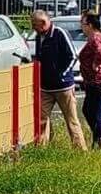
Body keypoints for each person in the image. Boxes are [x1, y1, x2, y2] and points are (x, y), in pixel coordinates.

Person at [31, 10, 88, 150]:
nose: (33, 28)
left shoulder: (60, 34)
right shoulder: (39, 37)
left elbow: (73, 56)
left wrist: (62, 74)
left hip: (64, 87)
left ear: (44, 23)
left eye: (35, 25)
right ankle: (40, 150)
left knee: (71, 120)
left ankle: (80, 150)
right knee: (41, 120)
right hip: (45, 87)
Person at [77, 12, 101, 148]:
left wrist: (95, 64)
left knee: (93, 111)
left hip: (97, 81)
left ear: (90, 25)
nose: (81, 27)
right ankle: (99, 139)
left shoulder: (96, 38)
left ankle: (100, 140)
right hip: (95, 80)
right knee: (95, 110)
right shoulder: (98, 36)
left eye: (83, 24)